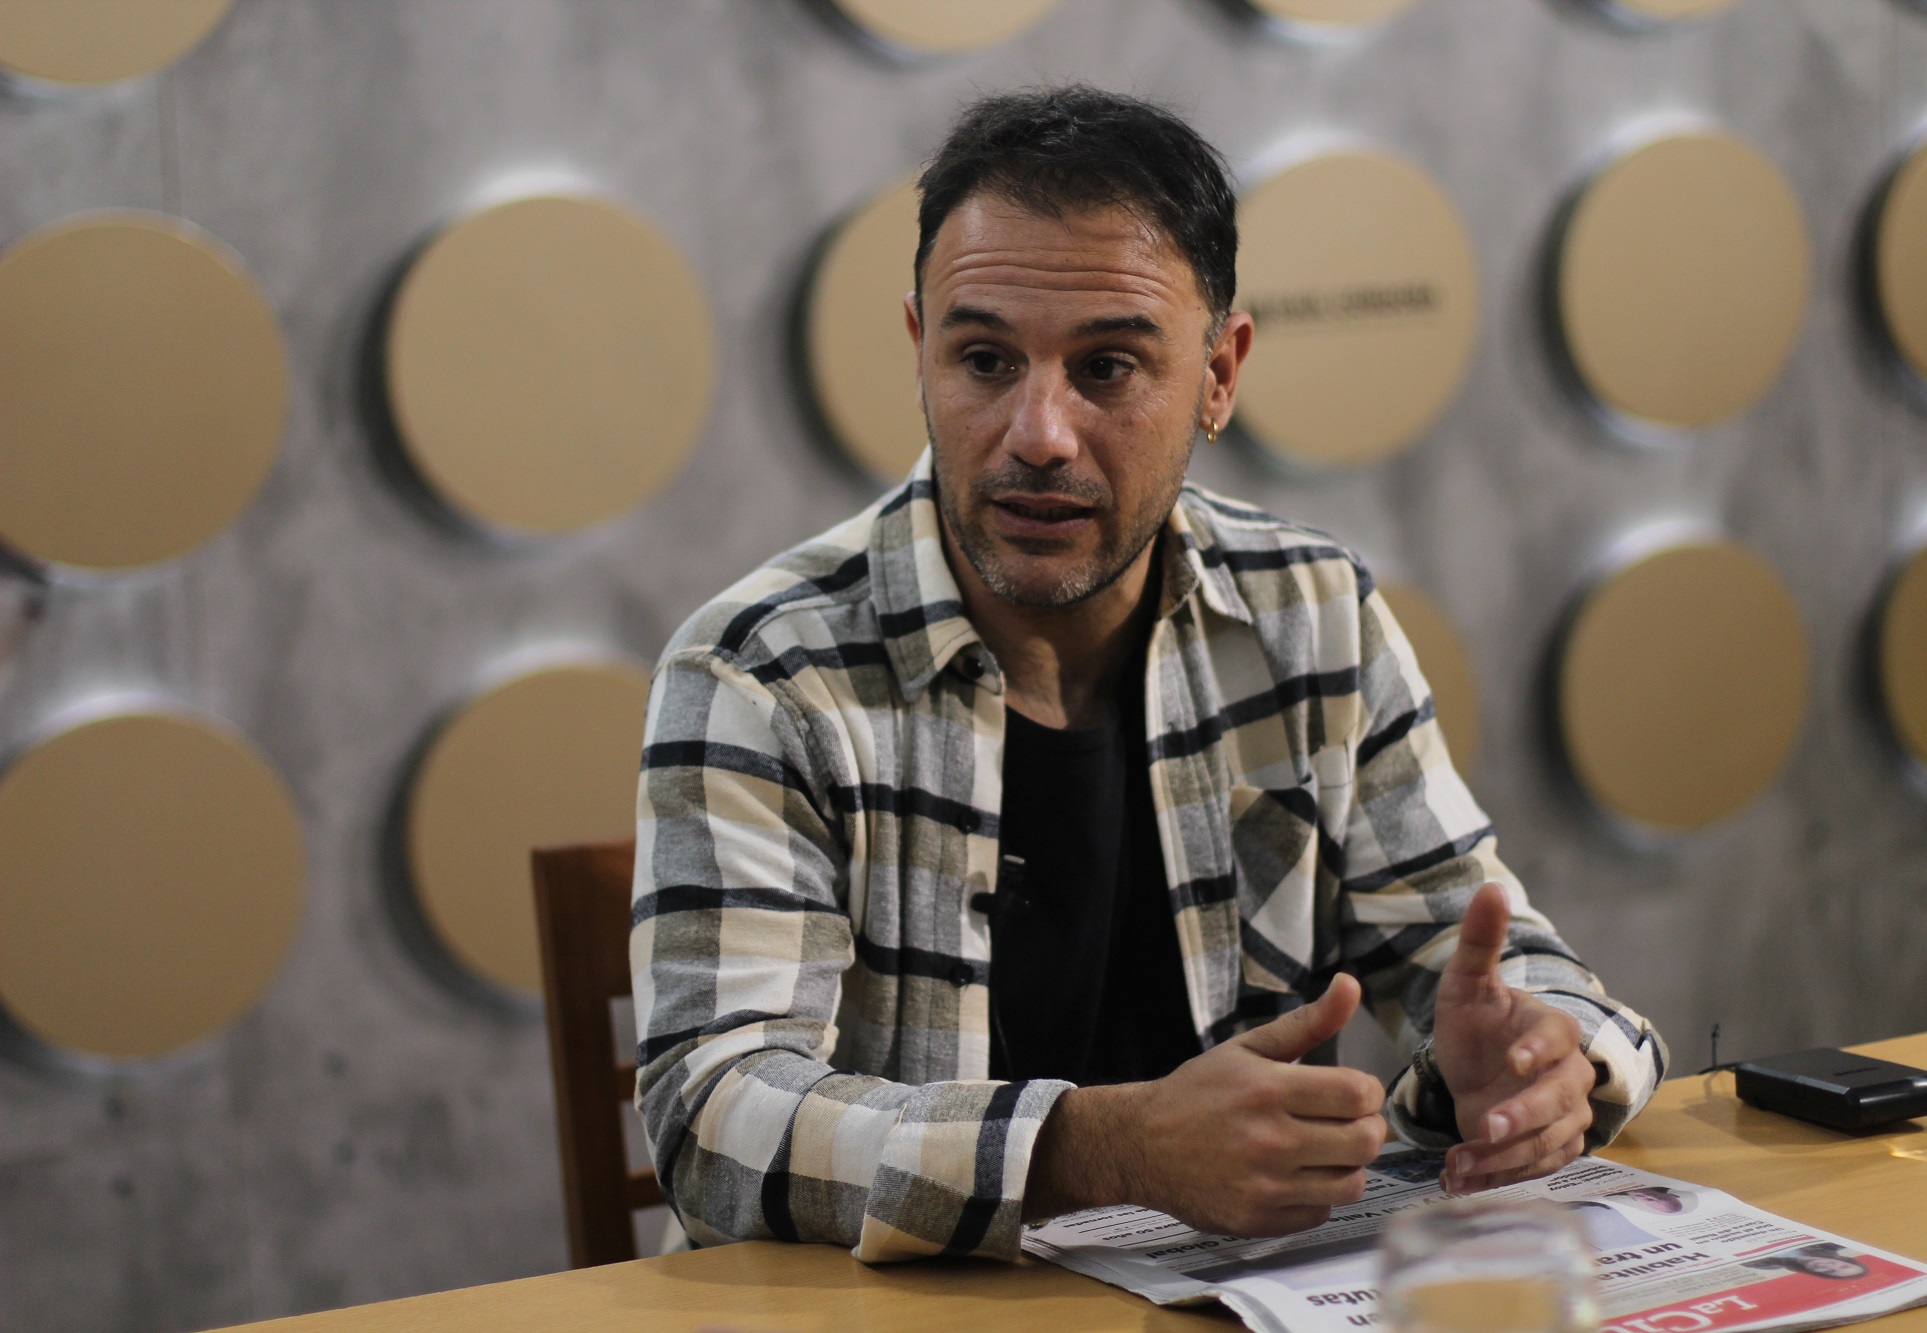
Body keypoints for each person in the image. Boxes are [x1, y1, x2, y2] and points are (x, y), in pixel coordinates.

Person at [632, 85, 1667, 1262]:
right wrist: (1106, 1147)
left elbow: (1494, 960)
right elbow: (712, 1120)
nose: (1038, 432)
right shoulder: (761, 671)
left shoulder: (1308, 614)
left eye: (1108, 368)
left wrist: (1539, 1062)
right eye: (983, 359)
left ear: (1219, 374)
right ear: (917, 351)